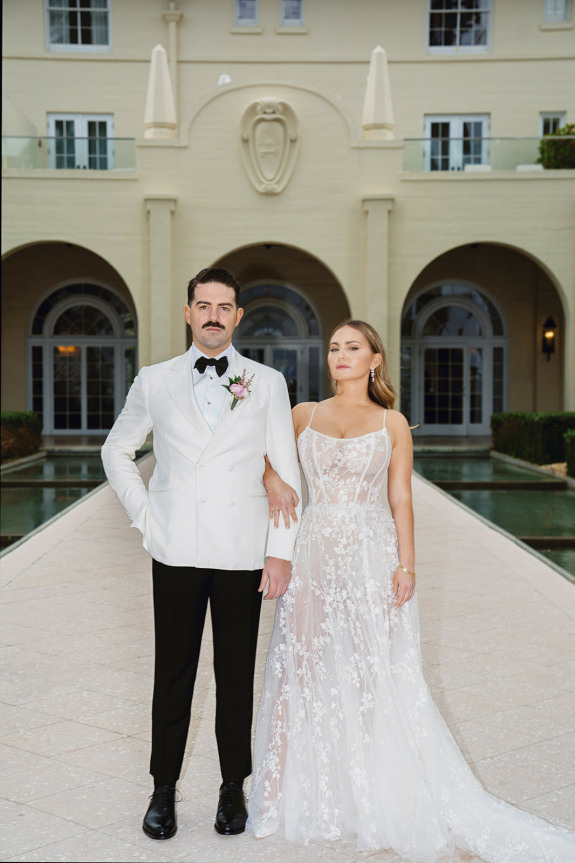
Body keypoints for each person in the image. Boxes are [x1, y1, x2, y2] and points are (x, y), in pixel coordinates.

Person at [248, 319, 575, 862]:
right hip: (314, 551)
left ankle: (375, 790)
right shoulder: (303, 415)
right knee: (298, 666)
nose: (340, 355)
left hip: (371, 554)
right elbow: (265, 462)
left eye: (352, 347)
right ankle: (285, 797)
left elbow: (400, 498)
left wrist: (408, 566)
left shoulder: (392, 422)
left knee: (373, 669)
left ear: (375, 358)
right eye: (334, 348)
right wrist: (273, 480)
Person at [102, 267, 301, 840]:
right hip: (177, 549)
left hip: (242, 550)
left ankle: (232, 788)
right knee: (173, 674)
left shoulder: (266, 382)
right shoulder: (154, 380)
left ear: (238, 317)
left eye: (225, 306)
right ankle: (163, 789)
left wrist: (280, 552)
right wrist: (146, 517)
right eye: (203, 305)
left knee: (236, 675)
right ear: (188, 312)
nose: (214, 314)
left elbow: (285, 472)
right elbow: (117, 451)